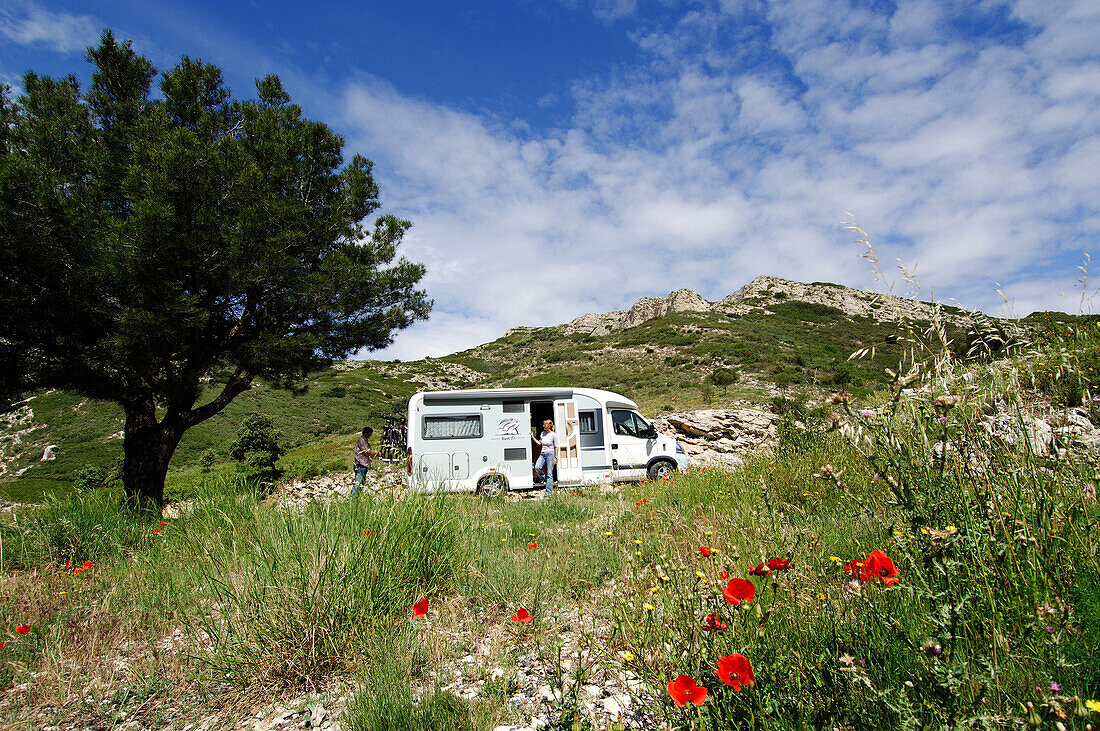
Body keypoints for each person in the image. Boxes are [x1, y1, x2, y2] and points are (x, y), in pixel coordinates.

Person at [531, 418, 557, 496]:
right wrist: (533, 437)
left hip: (550, 454)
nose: (543, 426)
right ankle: (542, 478)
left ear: (549, 426)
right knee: (537, 467)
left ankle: (548, 492)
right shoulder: (543, 433)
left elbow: (557, 446)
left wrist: (556, 457)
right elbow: (539, 444)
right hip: (543, 454)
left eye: (544, 425)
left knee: (550, 474)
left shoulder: (553, 435)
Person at [351, 427, 379, 496]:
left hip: (364, 464)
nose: (370, 435)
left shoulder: (364, 440)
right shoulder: (362, 440)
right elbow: (366, 453)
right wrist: (377, 454)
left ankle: (357, 497)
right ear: (366, 433)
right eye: (370, 433)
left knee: (361, 483)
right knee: (358, 482)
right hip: (360, 464)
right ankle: (353, 497)